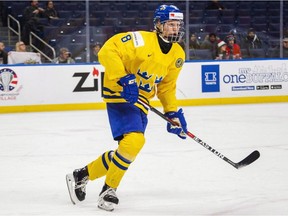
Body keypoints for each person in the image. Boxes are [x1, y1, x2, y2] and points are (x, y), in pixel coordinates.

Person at [66, 4, 188, 212]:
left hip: (142, 101)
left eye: (177, 25)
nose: (175, 29)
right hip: (119, 94)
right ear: (158, 25)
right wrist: (123, 78)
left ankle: (81, 175)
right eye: (170, 24)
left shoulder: (177, 54)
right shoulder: (139, 40)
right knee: (134, 141)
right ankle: (109, 190)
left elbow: (167, 86)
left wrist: (172, 112)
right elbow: (107, 51)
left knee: (128, 148)